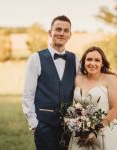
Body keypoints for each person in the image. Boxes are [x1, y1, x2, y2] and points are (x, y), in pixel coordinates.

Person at [22, 15, 79, 150]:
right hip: (44, 125)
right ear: (50, 32)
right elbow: (28, 94)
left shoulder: (75, 59)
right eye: (58, 29)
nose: (61, 33)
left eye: (66, 30)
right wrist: (34, 123)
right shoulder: (36, 58)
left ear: (70, 35)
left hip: (69, 127)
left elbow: (80, 91)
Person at [68, 46, 117, 150]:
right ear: (83, 62)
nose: (92, 63)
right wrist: (78, 125)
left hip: (105, 131)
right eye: (89, 59)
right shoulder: (77, 79)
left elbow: (115, 108)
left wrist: (95, 130)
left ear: (102, 63)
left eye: (97, 60)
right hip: (80, 134)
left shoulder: (110, 79)